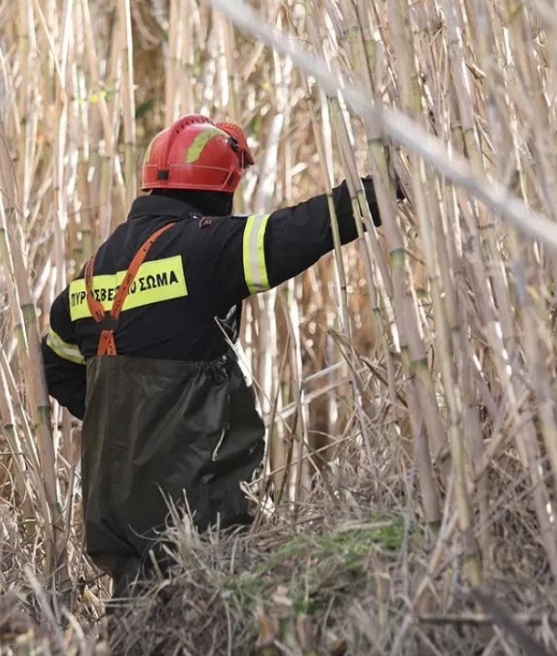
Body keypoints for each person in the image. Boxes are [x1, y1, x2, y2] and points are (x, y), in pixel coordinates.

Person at [39, 113, 405, 606]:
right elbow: (300, 230)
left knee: (136, 615)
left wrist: (125, 416)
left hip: (115, 505)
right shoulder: (203, 249)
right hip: (193, 500)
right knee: (207, 615)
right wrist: (387, 187)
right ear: (220, 190)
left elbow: (55, 365)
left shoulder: (89, 274)